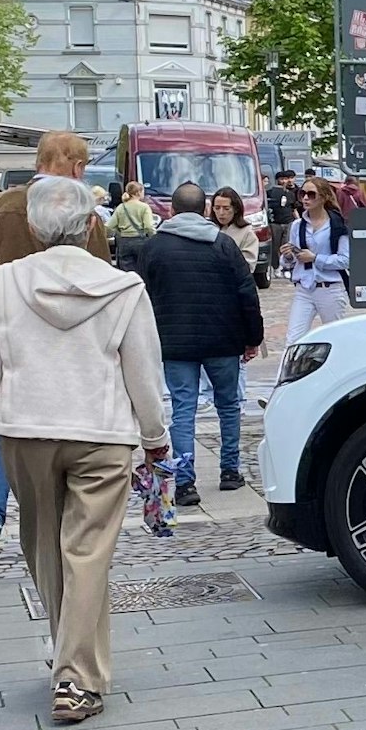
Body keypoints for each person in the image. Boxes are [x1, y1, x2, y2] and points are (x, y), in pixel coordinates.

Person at [0, 177, 170, 724]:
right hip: (101, 433)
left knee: (45, 549)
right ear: (92, 224)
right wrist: (155, 436)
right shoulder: (123, 288)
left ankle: (72, 666)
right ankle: (77, 675)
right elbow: (143, 372)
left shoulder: (7, 282)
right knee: (88, 553)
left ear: (33, 227)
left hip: (26, 431)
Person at [0, 132, 113, 573]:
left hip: (5, 330)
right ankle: (59, 523)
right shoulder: (83, 213)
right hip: (69, 343)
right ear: (77, 167)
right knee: (62, 433)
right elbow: (101, 277)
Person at [142, 183, 264, 504]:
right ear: (205, 210)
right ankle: (230, 471)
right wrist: (252, 338)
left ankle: (184, 483)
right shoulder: (223, 245)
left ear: (172, 210)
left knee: (183, 409)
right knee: (228, 405)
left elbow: (142, 297)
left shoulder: (154, 247)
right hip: (223, 339)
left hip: (175, 342)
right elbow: (247, 294)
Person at [204, 185, 259, 407]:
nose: (221, 212)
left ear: (235, 209)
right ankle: (209, 396)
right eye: (217, 208)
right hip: (210, 299)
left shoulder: (245, 233)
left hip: (234, 300)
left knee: (238, 353)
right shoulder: (207, 230)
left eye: (226, 208)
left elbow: (248, 266)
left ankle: (239, 398)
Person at [282, 176, 351, 345]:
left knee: (336, 338)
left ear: (324, 197)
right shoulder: (297, 225)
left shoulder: (337, 225)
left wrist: (315, 258)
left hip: (330, 288)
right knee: (293, 339)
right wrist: (288, 256)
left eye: (311, 194)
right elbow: (290, 262)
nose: (306, 198)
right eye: (302, 194)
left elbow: (345, 260)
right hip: (304, 288)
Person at [107, 180, 158, 275]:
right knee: (142, 270)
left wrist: (118, 232)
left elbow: (110, 226)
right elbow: (149, 226)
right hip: (140, 242)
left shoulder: (121, 207)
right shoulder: (144, 207)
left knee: (126, 272)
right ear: (138, 192)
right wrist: (154, 238)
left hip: (124, 242)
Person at [265, 170, 300, 275]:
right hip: (275, 223)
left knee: (287, 246)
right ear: (277, 180)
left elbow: (294, 209)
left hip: (288, 222)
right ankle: (276, 267)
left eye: (286, 179)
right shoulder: (269, 192)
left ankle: (286, 267)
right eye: (282, 179)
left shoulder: (290, 194)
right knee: (275, 246)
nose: (284, 181)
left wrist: (298, 220)